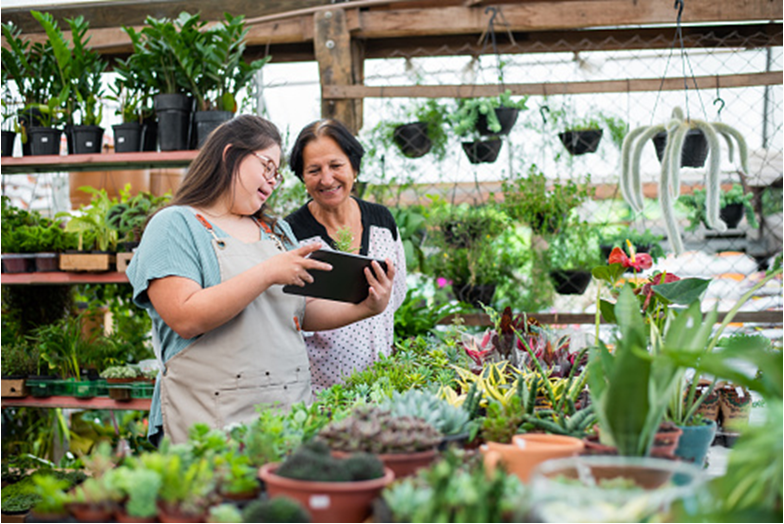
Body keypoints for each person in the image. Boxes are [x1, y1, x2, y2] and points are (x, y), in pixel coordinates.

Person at [126, 115, 395, 445]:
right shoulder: (175, 225)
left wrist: (367, 307)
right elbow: (185, 316)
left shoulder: (276, 232)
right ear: (229, 155)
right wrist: (268, 272)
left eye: (276, 173)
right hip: (212, 422)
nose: (272, 181)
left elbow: (300, 312)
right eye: (266, 166)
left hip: (289, 417)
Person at [286, 119, 408, 392]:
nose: (327, 179)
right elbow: (292, 315)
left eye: (336, 166)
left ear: (354, 166)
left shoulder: (382, 221)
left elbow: (396, 293)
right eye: (314, 170)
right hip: (321, 393)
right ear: (302, 177)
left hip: (383, 384)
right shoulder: (292, 235)